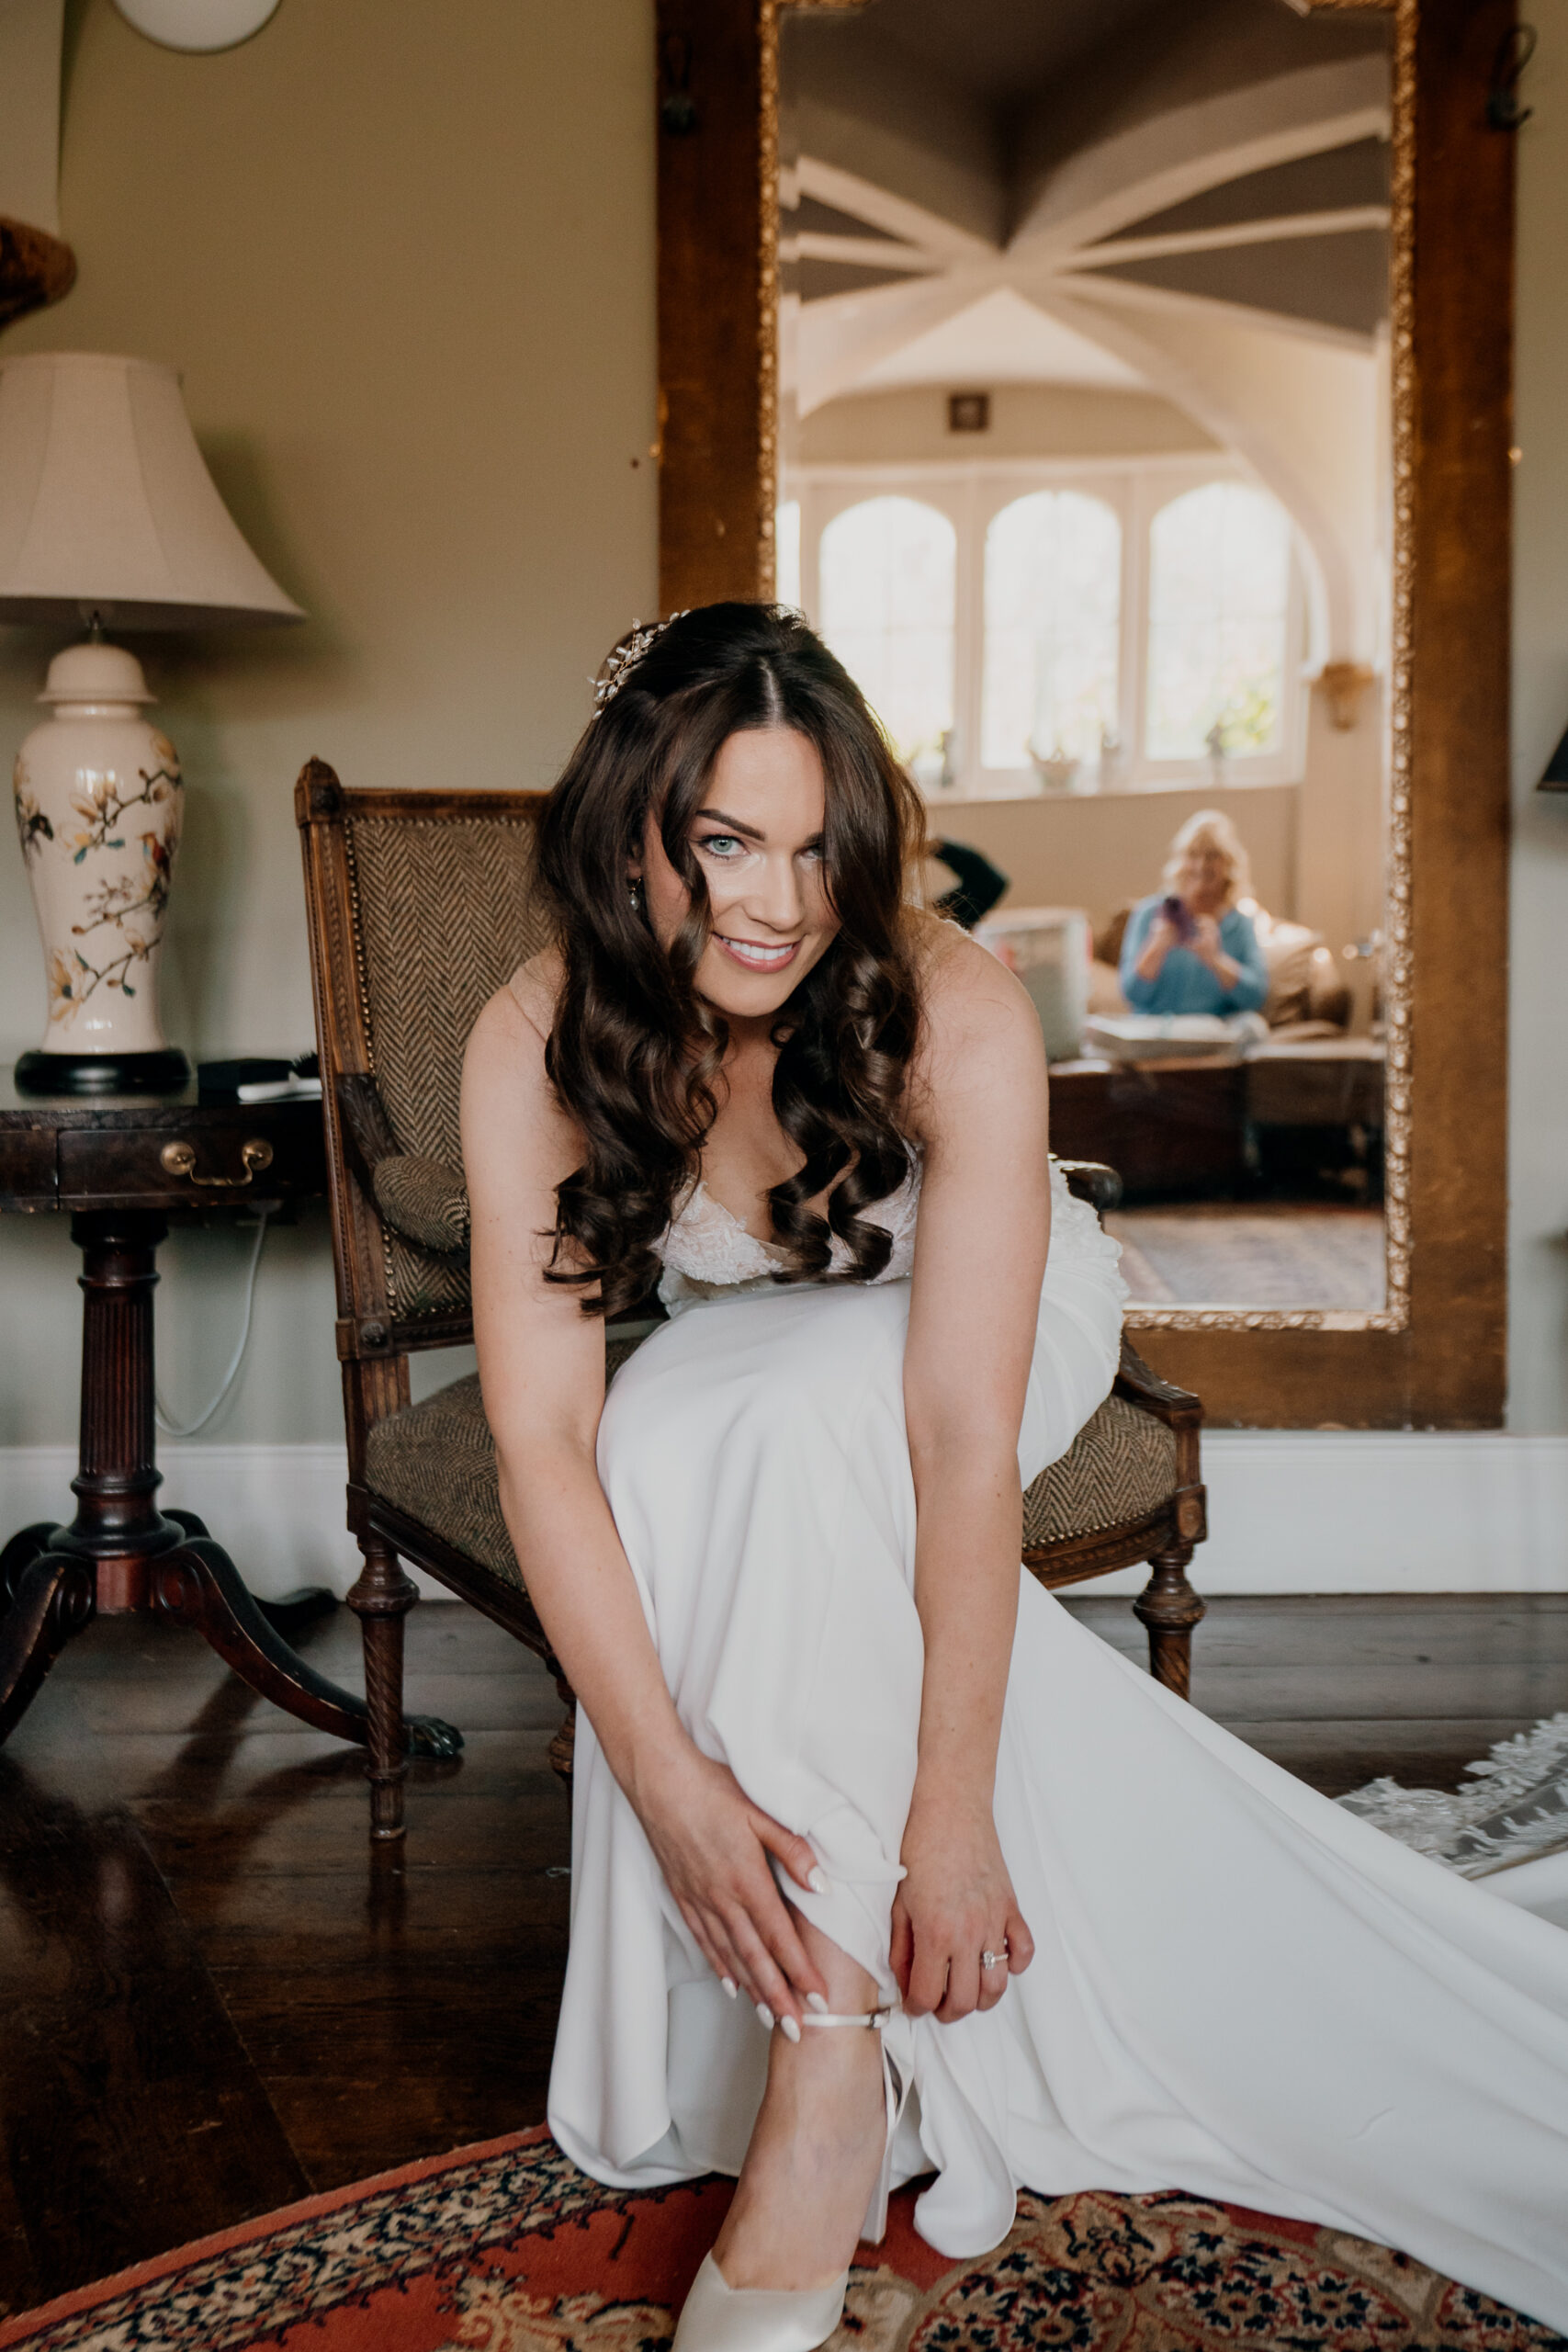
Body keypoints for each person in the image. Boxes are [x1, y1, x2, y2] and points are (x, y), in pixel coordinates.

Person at [462, 604, 1568, 2350]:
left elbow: (957, 1436)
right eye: (722, 844)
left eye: (818, 850)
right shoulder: (533, 1034)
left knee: (761, 1417)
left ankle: (825, 2085)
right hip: (792, 1352)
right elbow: (535, 1435)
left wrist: (950, 1828)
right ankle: (830, 2025)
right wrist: (667, 1784)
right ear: (624, 837)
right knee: (662, 1427)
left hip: (992, 1323)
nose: (773, 904)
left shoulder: (945, 1002)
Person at [1120, 809, 1269, 1016]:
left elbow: (1255, 997)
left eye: (1212, 855)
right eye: (1193, 854)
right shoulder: (1150, 914)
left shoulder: (1239, 924)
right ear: (1180, 862)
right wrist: (1156, 947)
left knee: (1252, 1027)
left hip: (1216, 1032)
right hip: (1158, 1028)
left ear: (1229, 863)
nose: (1201, 865)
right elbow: (1132, 994)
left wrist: (1216, 959)